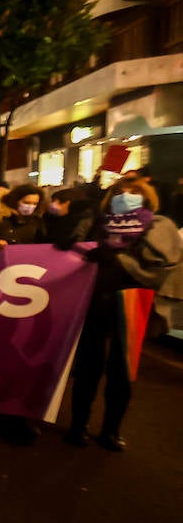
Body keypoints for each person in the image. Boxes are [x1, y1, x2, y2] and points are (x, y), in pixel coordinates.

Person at [66, 174, 182, 451]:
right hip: (94, 302)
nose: (125, 197)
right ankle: (77, 426)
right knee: (87, 370)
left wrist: (119, 259)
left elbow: (158, 270)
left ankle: (111, 430)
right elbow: (71, 244)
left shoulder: (157, 225)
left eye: (133, 192)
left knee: (122, 371)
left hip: (132, 301)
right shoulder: (98, 223)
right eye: (119, 192)